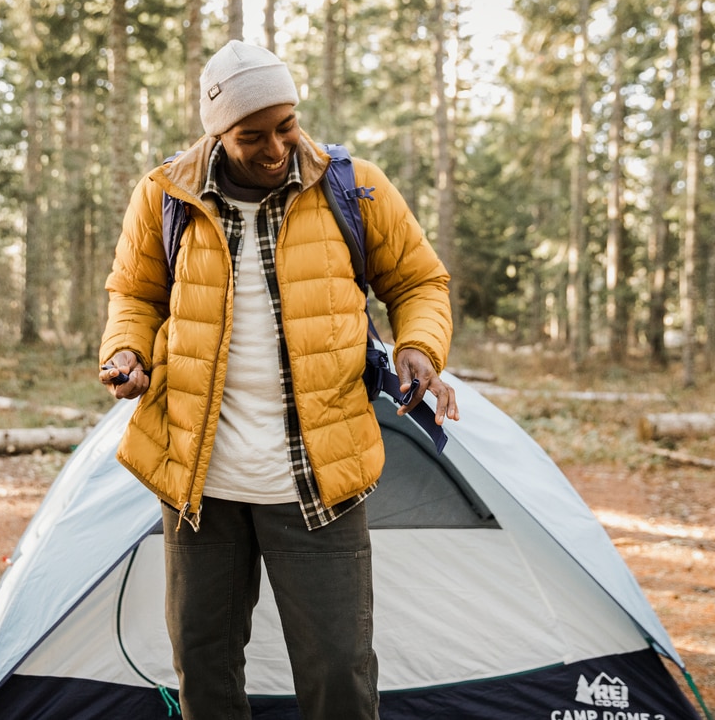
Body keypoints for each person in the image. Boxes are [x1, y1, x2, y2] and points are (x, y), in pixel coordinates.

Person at [99, 40, 458, 720]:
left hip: (318, 477)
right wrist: (126, 351)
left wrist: (418, 346)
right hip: (200, 482)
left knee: (339, 674)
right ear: (216, 132)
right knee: (204, 668)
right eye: (250, 135)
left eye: (285, 125)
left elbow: (419, 280)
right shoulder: (164, 196)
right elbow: (134, 295)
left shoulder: (355, 187)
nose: (274, 148)